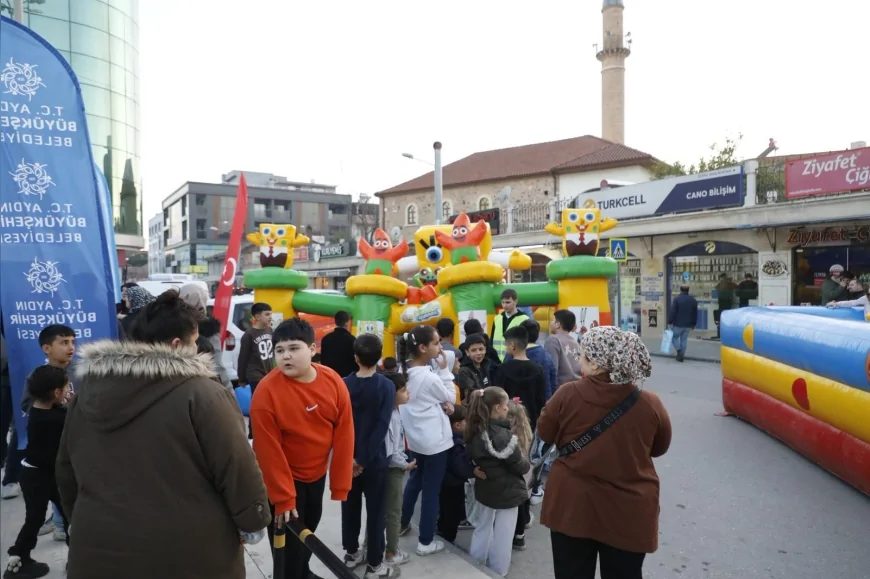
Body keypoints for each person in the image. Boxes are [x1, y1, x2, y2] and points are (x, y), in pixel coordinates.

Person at [57, 291, 270, 579]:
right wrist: (252, 519)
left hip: (98, 545)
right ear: (176, 344)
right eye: (195, 343)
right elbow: (236, 467)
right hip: (190, 551)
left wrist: (78, 519)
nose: (198, 350)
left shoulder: (86, 395)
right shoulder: (203, 394)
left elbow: (66, 469)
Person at [538, 326, 672, 579]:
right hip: (628, 511)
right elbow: (659, 447)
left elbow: (545, 433)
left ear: (598, 365)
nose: (578, 360)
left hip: (572, 506)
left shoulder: (567, 394)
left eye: (583, 355)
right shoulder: (649, 403)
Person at [251, 317, 355, 579]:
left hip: (316, 474)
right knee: (287, 543)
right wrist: (283, 498)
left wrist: (340, 484)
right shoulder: (266, 392)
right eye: (280, 350)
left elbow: (344, 433)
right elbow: (267, 450)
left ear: (312, 349)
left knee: (310, 531)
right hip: (285, 479)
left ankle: (303, 573)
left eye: (294, 348)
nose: (286, 356)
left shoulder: (333, 381)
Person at [3, 366, 70, 579]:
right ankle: (19, 558)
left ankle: (21, 557)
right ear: (57, 393)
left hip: (34, 475)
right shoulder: (55, 418)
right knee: (43, 517)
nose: (69, 391)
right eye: (67, 388)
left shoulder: (36, 408)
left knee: (55, 515)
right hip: (42, 476)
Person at [341, 335, 399, 578]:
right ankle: (375, 564)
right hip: (374, 461)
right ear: (380, 357)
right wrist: (363, 460)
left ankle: (352, 553)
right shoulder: (386, 386)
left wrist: (352, 459)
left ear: (355, 357)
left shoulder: (343, 384)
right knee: (376, 512)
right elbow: (382, 426)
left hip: (347, 460)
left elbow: (340, 425)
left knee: (350, 507)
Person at [397, 325, 454, 556]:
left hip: (416, 438)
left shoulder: (405, 371)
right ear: (423, 347)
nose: (440, 347)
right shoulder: (429, 377)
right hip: (435, 441)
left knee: (416, 480)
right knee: (432, 490)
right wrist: (445, 370)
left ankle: (402, 523)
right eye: (436, 343)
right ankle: (426, 541)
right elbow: (450, 396)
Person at [465, 387, 531, 577]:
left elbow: (469, 454)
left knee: (482, 527)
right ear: (496, 408)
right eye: (504, 405)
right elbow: (521, 466)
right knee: (504, 533)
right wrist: (527, 464)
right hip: (508, 490)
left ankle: (475, 563)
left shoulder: (473, 428)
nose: (507, 409)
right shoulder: (505, 437)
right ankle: (498, 570)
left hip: (485, 486)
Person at [436, 405, 481, 544]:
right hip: (453, 483)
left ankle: (442, 531)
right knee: (452, 513)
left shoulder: (444, 437)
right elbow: (459, 466)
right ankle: (448, 538)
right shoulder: (456, 443)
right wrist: (473, 471)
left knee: (445, 511)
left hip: (445, 481)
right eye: (465, 422)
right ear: (457, 425)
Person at [383, 372, 414, 567]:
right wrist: (406, 465)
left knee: (377, 510)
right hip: (392, 470)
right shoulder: (392, 417)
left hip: (386, 467)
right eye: (403, 390)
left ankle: (370, 545)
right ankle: (391, 552)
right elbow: (391, 451)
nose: (407, 393)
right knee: (394, 512)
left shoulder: (391, 413)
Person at [179, 283, 232, 389]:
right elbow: (217, 368)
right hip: (207, 390)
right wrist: (230, 393)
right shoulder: (209, 331)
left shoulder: (172, 327)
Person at [493, 327, 546, 431]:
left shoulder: (502, 369)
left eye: (506, 345)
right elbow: (541, 400)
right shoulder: (538, 369)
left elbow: (497, 397)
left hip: (508, 423)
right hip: (532, 424)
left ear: (512, 345)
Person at [238, 302, 273, 438]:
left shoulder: (270, 330)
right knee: (258, 404)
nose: (270, 317)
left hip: (268, 373)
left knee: (269, 404)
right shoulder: (249, 335)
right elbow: (243, 358)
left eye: (271, 314)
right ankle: (253, 433)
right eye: (267, 314)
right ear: (257, 316)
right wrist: (241, 378)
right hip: (255, 375)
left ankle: (267, 430)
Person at [506, 400, 535, 551]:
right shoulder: (528, 433)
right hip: (527, 478)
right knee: (524, 506)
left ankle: (512, 535)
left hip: (515, 479)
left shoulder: (508, 436)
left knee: (514, 509)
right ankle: (520, 536)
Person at [504, 319, 557, 401]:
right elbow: (553, 382)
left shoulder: (512, 353)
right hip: (541, 404)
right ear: (538, 335)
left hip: (515, 405)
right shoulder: (546, 355)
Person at [544, 310, 582, 387]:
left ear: (558, 324)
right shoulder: (575, 342)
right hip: (578, 387)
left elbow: (552, 369)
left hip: (562, 389)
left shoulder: (553, 340)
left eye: (552, 320)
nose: (551, 322)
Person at [456, 334, 497, 400]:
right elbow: (470, 394)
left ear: (485, 349)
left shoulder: (489, 365)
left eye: (481, 349)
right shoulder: (464, 370)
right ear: (467, 352)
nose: (478, 353)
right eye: (473, 350)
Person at [490, 289, 529, 360]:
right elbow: (492, 341)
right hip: (496, 361)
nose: (504, 305)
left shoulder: (524, 319)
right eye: (502, 302)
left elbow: (527, 343)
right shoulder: (497, 318)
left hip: (514, 360)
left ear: (515, 301)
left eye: (508, 302)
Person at [320, 310, 359, 378]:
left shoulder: (326, 339)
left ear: (335, 322)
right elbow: (355, 363)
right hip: (347, 379)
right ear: (347, 323)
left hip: (329, 377)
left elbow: (323, 360)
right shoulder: (352, 340)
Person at [668, 284, 698, 363]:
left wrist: (670, 321)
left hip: (678, 323)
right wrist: (693, 324)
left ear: (680, 290)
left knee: (673, 337)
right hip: (688, 325)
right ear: (688, 290)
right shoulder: (693, 300)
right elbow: (695, 313)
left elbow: (673, 312)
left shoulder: (677, 299)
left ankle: (679, 351)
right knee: (684, 340)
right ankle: (681, 355)